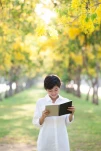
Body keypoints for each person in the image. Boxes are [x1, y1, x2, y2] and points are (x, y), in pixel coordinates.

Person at [32, 74, 75, 151]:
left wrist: (71, 114)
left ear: (59, 87)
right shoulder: (41, 102)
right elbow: (36, 123)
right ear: (46, 90)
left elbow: (67, 122)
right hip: (46, 140)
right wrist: (43, 117)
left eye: (56, 89)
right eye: (50, 90)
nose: (53, 93)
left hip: (62, 140)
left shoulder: (65, 101)